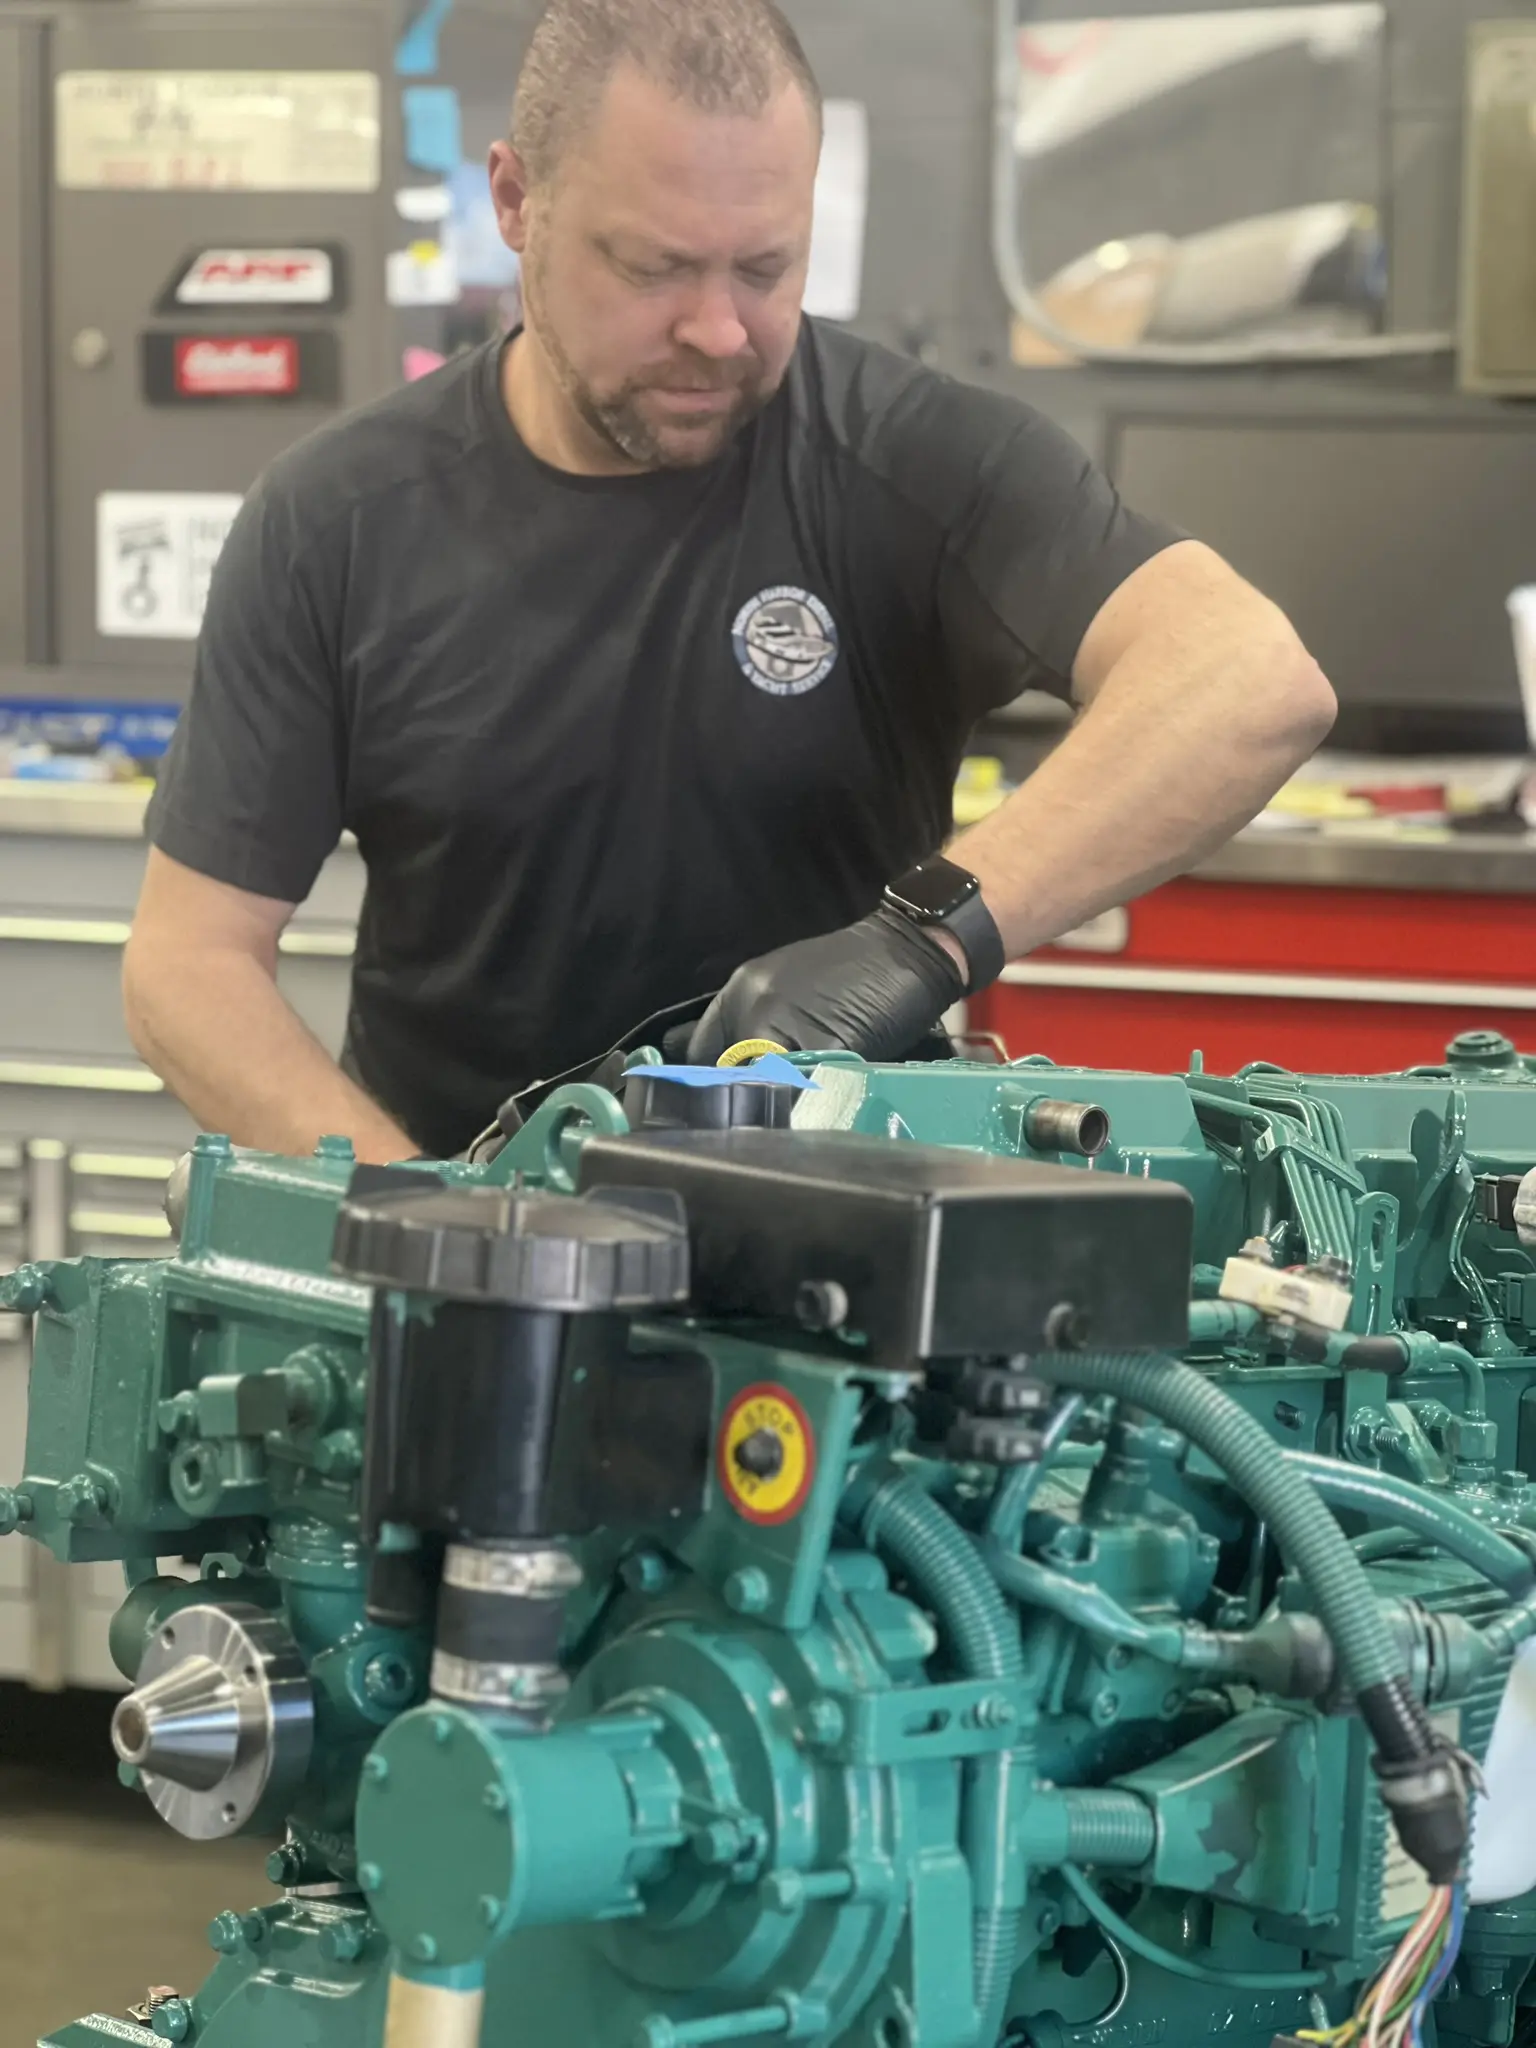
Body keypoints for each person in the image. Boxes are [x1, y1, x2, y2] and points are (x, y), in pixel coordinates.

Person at [123, 0, 1336, 1165]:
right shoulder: (335, 521)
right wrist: (413, 1214)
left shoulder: (912, 464)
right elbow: (188, 968)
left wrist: (922, 941)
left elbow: (1248, 676)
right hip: (467, 1264)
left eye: (765, 265)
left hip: (853, 1258)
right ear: (515, 201)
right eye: (654, 268)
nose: (718, 328)